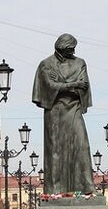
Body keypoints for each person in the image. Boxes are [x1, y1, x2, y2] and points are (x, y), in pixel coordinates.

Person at [32, 33, 96, 196]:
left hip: (74, 108)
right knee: (55, 150)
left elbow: (84, 86)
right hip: (54, 110)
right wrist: (72, 84)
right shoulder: (46, 64)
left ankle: (87, 187)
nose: (73, 51)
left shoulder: (80, 63)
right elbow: (49, 86)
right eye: (70, 49)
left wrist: (61, 86)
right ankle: (55, 191)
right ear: (61, 48)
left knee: (82, 145)